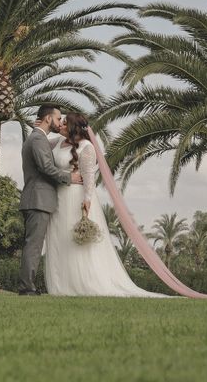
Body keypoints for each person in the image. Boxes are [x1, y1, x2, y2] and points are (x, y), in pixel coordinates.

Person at [42, 112, 168, 297]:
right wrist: (40, 126)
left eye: (64, 122)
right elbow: (41, 139)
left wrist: (87, 200)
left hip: (75, 198)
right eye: (60, 121)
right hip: (58, 198)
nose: (59, 124)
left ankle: (82, 284)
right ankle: (61, 286)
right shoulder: (58, 143)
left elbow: (89, 177)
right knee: (59, 239)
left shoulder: (86, 147)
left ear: (73, 127)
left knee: (76, 242)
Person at [18, 104, 83, 296]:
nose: (59, 122)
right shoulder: (38, 139)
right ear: (48, 119)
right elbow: (46, 167)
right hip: (38, 199)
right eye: (57, 119)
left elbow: (54, 142)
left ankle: (28, 286)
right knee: (34, 245)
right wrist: (68, 177)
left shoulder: (39, 137)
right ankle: (27, 288)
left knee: (34, 244)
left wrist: (66, 133)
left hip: (39, 199)